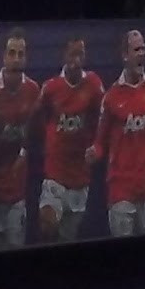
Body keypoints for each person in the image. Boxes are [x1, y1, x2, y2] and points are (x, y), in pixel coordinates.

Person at [89, 29, 145, 237]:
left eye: (144, 49)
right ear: (125, 55)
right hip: (120, 190)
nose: (142, 53)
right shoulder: (111, 96)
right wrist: (93, 152)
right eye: (137, 49)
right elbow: (100, 142)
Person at [34, 36, 104, 242]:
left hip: (80, 179)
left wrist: (97, 147)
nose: (76, 60)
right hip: (55, 176)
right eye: (73, 54)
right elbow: (37, 118)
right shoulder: (51, 88)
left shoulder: (93, 84)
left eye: (80, 54)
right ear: (64, 55)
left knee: (67, 238)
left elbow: (105, 118)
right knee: (47, 225)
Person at [0, 29, 42, 251]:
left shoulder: (34, 90)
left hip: (17, 195)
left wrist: (24, 153)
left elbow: (35, 134)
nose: (16, 59)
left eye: (21, 54)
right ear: (3, 57)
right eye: (12, 53)